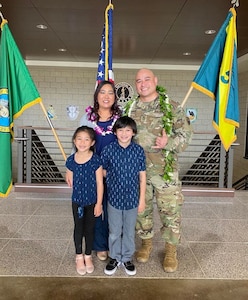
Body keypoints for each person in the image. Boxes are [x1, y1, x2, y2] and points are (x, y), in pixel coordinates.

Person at [124, 68, 193, 273]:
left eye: (147, 79)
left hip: (165, 172)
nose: (143, 84)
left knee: (170, 212)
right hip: (138, 171)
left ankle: (170, 251)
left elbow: (186, 137)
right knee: (141, 210)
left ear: (155, 81)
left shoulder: (172, 107)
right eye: (138, 81)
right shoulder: (130, 109)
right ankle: (146, 245)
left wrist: (168, 142)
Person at [79, 80, 122, 261]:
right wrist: (72, 169)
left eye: (110, 92)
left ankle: (114, 244)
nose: (106, 96)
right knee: (96, 210)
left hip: (115, 174)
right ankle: (99, 245)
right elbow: (79, 145)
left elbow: (127, 145)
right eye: (102, 92)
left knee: (114, 210)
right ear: (97, 95)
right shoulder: (87, 118)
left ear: (115, 97)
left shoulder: (121, 119)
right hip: (92, 173)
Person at [100, 116, 146, 276]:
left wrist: (142, 200)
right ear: (115, 132)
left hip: (133, 200)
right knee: (114, 230)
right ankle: (114, 257)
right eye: (120, 130)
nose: (124, 133)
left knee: (128, 230)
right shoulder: (109, 150)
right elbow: (102, 171)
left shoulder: (138, 151)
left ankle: (126, 258)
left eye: (128, 130)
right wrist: (112, 175)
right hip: (114, 199)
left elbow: (142, 177)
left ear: (133, 132)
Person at [65, 126, 104, 275]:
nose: (82, 142)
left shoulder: (96, 160)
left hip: (92, 202)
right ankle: (78, 256)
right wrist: (68, 175)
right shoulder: (71, 160)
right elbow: (69, 177)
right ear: (74, 141)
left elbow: (100, 183)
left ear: (92, 142)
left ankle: (88, 256)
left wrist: (99, 203)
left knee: (89, 229)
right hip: (77, 202)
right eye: (79, 139)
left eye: (86, 139)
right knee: (78, 229)